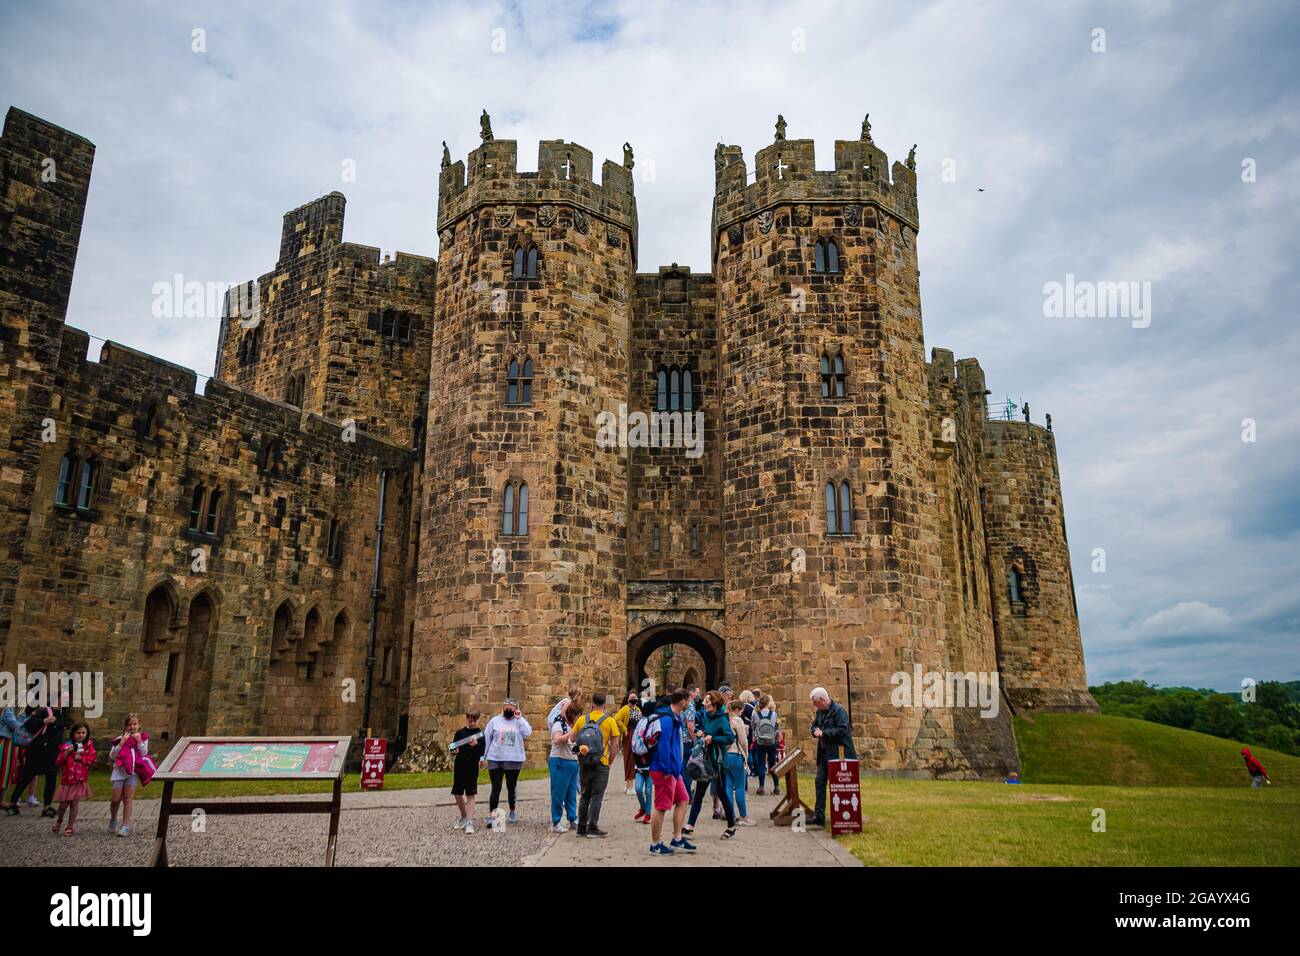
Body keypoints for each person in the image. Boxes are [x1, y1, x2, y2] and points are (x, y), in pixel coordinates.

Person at [648, 689, 696, 855]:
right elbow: (664, 747)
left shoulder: (673, 718)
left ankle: (677, 839)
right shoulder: (667, 720)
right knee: (661, 806)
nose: (688, 704)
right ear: (682, 702)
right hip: (664, 770)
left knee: (683, 799)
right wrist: (667, 769)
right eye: (687, 701)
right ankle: (655, 844)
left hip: (673, 770)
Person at [684, 691, 737, 839]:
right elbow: (706, 731)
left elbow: (730, 737)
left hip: (718, 763)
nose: (704, 703)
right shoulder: (706, 717)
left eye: (707, 701)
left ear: (714, 704)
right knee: (699, 793)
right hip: (706, 761)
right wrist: (702, 733)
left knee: (722, 794)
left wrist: (713, 739)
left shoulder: (722, 719)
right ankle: (690, 825)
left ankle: (731, 826)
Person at [570, 691, 620, 837]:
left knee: (585, 795)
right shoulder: (610, 721)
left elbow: (572, 739)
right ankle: (592, 827)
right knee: (597, 796)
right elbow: (615, 745)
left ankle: (581, 828)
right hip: (601, 762)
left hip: (585, 762)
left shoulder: (582, 720)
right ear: (604, 706)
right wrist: (609, 762)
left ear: (592, 705)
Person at [809, 687, 856, 828]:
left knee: (839, 786)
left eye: (816, 703)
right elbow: (814, 726)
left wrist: (824, 733)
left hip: (838, 755)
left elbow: (842, 730)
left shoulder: (839, 711)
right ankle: (819, 816)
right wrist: (815, 731)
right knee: (819, 782)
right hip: (824, 754)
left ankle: (844, 816)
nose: (815, 706)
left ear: (823, 700)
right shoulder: (820, 712)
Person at [481, 698, 531, 828]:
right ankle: (493, 816)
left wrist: (520, 718)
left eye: (511, 707)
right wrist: (482, 757)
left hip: (513, 759)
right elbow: (487, 738)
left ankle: (512, 810)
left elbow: (528, 732)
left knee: (511, 786)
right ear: (503, 708)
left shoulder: (519, 722)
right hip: (495, 758)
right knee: (496, 787)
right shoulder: (495, 721)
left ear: (515, 708)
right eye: (506, 707)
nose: (508, 709)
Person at [7, 703, 63, 818]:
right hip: (37, 751)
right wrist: (44, 721)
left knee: (51, 778)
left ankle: (47, 807)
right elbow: (28, 724)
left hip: (52, 752)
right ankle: (12, 804)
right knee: (27, 777)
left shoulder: (62, 713)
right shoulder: (44, 711)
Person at [52, 722, 95, 835]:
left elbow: (91, 759)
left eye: (83, 733)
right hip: (67, 780)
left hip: (79, 780)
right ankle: (59, 821)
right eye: (78, 733)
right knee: (63, 804)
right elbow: (59, 762)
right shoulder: (66, 746)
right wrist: (66, 754)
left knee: (74, 803)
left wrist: (80, 758)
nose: (81, 735)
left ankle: (70, 826)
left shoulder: (89, 746)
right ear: (73, 733)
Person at [109, 714, 148, 836]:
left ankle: (125, 825)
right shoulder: (119, 738)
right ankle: (114, 818)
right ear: (126, 726)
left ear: (139, 725)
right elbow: (112, 756)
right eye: (130, 724)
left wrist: (139, 742)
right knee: (115, 800)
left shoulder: (142, 738)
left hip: (132, 772)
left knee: (127, 798)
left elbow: (144, 753)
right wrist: (121, 743)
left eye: (135, 724)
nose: (132, 726)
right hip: (119, 771)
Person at [548, 701, 581, 833]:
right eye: (578, 715)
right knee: (558, 793)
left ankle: (572, 818)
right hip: (560, 761)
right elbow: (556, 739)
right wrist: (572, 734)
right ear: (572, 715)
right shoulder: (559, 724)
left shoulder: (575, 727)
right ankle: (556, 822)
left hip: (572, 762)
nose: (579, 718)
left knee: (571, 793)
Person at [450, 709, 484, 833]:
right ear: (467, 718)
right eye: (470, 719)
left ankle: (470, 822)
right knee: (457, 793)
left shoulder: (480, 734)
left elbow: (481, 752)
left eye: (474, 719)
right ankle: (464, 816)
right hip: (460, 765)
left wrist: (476, 745)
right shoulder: (460, 733)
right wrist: (454, 751)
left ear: (478, 720)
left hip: (472, 766)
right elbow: (454, 747)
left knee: (470, 794)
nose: (472, 721)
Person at [726, 700, 754, 826]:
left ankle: (730, 815)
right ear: (737, 710)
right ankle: (744, 815)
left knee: (727, 787)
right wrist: (746, 755)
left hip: (724, 757)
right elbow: (743, 741)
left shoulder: (723, 720)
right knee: (740, 787)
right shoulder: (737, 721)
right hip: (736, 755)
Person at [750, 693, 780, 795]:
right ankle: (776, 787)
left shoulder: (755, 714)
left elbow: (753, 727)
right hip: (772, 742)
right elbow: (776, 727)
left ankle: (761, 787)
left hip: (760, 742)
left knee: (761, 764)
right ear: (768, 703)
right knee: (773, 764)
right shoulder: (774, 714)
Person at [614, 691, 642, 795]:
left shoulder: (638, 710)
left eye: (635, 697)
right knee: (630, 759)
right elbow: (617, 718)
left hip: (637, 736)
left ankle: (629, 786)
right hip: (629, 736)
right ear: (627, 699)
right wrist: (624, 729)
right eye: (631, 697)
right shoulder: (625, 709)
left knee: (635, 760)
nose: (633, 699)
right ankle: (630, 786)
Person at [0, 705, 24, 812]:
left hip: (9, 743)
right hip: (4, 742)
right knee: (4, 770)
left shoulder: (15, 711)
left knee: (8, 771)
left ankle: (2, 800)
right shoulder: (8, 710)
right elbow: (15, 724)